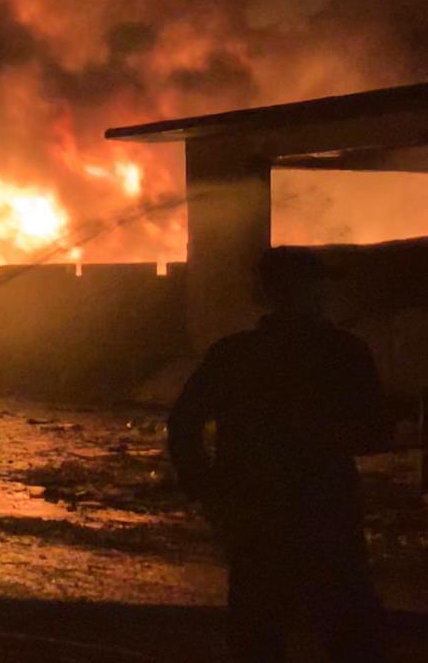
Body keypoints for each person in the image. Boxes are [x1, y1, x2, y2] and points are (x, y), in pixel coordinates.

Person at [168, 248, 392, 662]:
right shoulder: (344, 352)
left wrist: (206, 489)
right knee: (351, 633)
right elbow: (374, 432)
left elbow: (184, 424)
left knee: (257, 633)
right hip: (326, 513)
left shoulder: (232, 354)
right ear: (311, 291)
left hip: (254, 513)